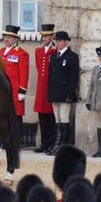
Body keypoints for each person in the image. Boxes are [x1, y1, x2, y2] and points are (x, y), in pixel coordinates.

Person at [47, 30, 80, 155]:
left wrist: (70, 94)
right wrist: (49, 93)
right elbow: (51, 76)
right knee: (58, 119)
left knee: (64, 118)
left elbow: (73, 78)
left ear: (66, 42)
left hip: (65, 94)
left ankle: (63, 145)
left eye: (60, 41)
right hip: (55, 93)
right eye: (57, 40)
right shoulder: (54, 55)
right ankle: (57, 143)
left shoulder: (72, 56)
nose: (58, 43)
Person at [0, 24, 29, 132]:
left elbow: (24, 73)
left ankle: (16, 141)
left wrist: (22, 90)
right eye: (5, 36)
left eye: (9, 37)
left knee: (15, 116)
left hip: (15, 90)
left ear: (16, 39)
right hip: (3, 90)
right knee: (3, 116)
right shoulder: (1, 52)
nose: (6, 39)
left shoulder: (21, 54)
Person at [34, 24, 57, 153]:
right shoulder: (38, 51)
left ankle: (51, 143)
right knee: (42, 117)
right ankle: (43, 143)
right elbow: (39, 68)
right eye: (43, 36)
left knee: (51, 118)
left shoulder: (54, 51)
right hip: (41, 88)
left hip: (50, 87)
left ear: (52, 37)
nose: (44, 38)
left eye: (47, 36)